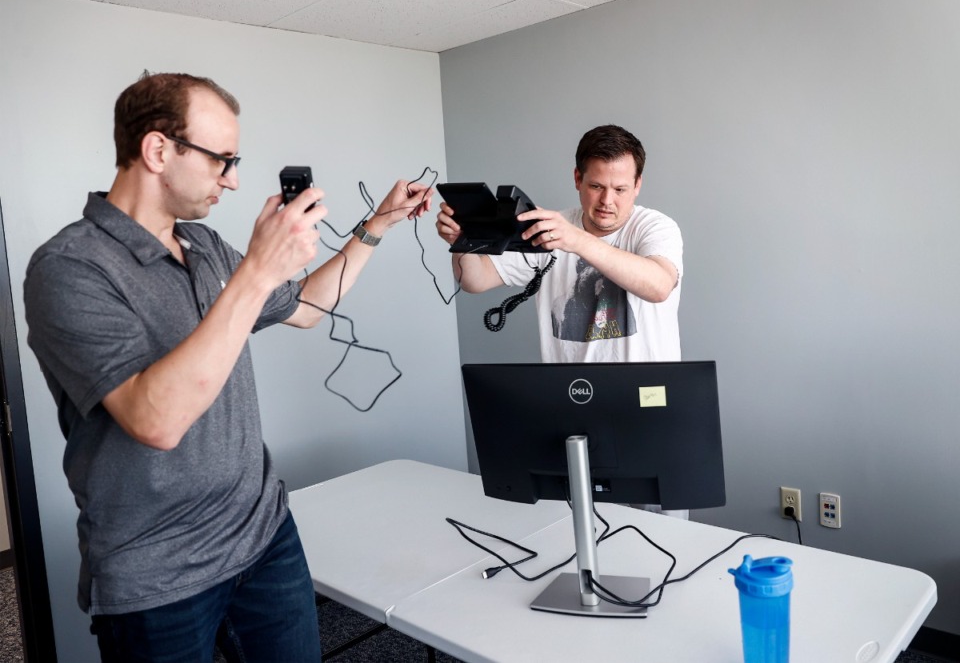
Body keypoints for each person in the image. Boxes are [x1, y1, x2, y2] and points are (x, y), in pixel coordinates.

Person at [23, 71, 432, 662]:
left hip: (265, 539)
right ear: (158, 149)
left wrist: (378, 227)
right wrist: (259, 271)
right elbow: (155, 420)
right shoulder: (69, 268)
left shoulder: (206, 247)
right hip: (156, 574)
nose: (234, 181)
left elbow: (308, 309)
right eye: (222, 161)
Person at [435, 124, 685, 517]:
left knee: (665, 539)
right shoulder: (549, 230)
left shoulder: (654, 227)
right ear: (577, 179)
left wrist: (575, 240)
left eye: (620, 189)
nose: (607, 201)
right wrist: (463, 242)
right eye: (596, 186)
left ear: (637, 186)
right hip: (575, 408)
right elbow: (474, 279)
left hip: (648, 407)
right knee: (586, 527)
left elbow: (658, 284)